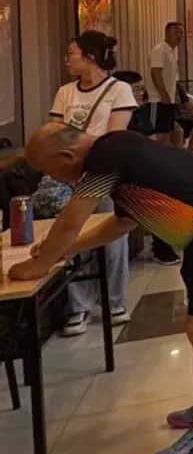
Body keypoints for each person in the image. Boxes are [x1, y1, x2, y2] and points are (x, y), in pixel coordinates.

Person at [11, 124, 193, 454]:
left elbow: (69, 221)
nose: (56, 179)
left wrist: (38, 266)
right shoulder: (121, 151)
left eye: (51, 170)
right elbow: (122, 223)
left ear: (66, 156)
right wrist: (67, 250)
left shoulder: (102, 157)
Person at [48, 31, 137, 337]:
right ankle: (79, 305)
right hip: (71, 174)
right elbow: (55, 134)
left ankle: (114, 300)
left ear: (90, 57)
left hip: (105, 173)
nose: (66, 60)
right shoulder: (65, 93)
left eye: (71, 54)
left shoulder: (119, 90)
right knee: (71, 235)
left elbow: (114, 136)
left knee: (111, 237)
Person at [147, 22, 184, 144]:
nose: (179, 35)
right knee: (160, 136)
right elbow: (155, 73)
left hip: (169, 101)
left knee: (174, 133)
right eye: (176, 32)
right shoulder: (159, 50)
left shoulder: (172, 52)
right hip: (157, 101)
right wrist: (163, 94)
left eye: (181, 33)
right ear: (167, 33)